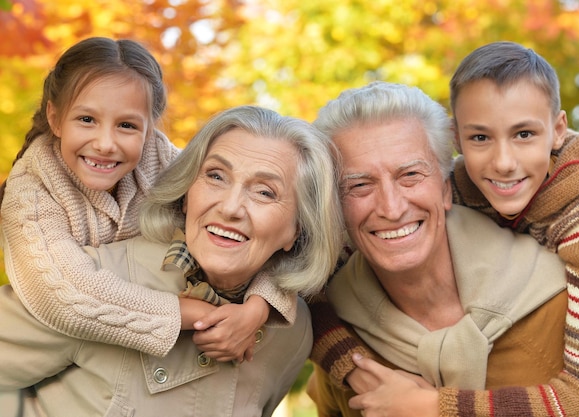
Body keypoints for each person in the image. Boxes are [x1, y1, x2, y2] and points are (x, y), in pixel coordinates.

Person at [306, 80, 579, 417]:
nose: (392, 207)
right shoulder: (339, 329)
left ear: (446, 189)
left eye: (410, 175)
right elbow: (293, 282)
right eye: (359, 185)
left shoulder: (574, 302)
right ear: (336, 207)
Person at [0, 105, 343, 417]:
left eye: (265, 192)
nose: (229, 207)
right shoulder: (95, 283)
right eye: (215, 176)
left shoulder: (291, 334)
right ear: (185, 196)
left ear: (297, 230)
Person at [0, 37, 283, 362]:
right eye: (87, 120)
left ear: (149, 130)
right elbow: (62, 294)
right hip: (45, 354)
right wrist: (202, 314)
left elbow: (267, 233)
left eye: (126, 125)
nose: (105, 143)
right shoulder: (31, 192)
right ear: (55, 118)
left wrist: (257, 308)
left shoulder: (162, 163)